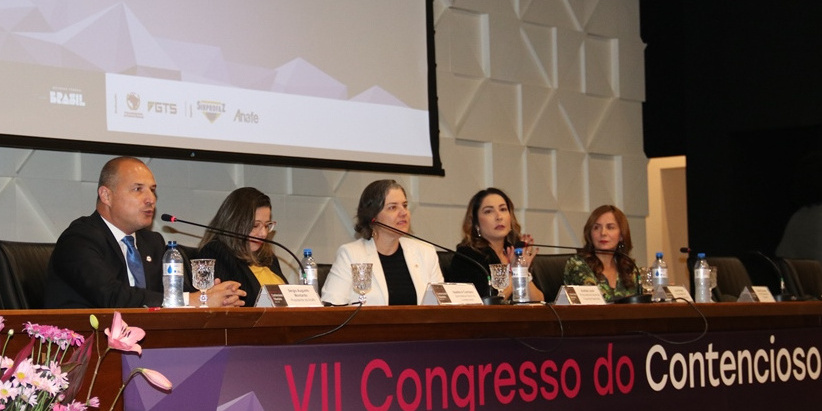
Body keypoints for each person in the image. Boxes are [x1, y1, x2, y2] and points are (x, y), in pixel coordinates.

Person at [45, 156, 246, 308]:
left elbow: (174, 293)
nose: (151, 199)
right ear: (106, 195)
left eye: (152, 189)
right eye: (138, 189)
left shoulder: (152, 242)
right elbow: (112, 296)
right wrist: (192, 300)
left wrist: (209, 296)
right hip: (87, 344)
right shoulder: (79, 239)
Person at [321, 179, 443, 305]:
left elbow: (442, 308)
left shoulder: (426, 253)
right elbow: (331, 306)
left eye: (405, 205)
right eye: (393, 207)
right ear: (373, 217)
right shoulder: (351, 255)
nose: (403, 212)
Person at [448, 188, 544, 302]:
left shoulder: (514, 252)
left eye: (503, 209)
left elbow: (539, 301)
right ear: (476, 223)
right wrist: (515, 274)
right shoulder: (467, 257)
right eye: (488, 211)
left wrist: (522, 270)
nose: (499, 217)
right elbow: (486, 303)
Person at [198, 187, 287, 306]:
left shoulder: (268, 257)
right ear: (234, 224)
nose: (263, 233)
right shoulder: (216, 252)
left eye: (267, 225)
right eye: (255, 226)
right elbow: (228, 303)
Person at [563, 204, 639, 302]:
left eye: (610, 227)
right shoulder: (578, 264)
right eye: (596, 228)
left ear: (621, 235)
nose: (603, 233)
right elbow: (593, 302)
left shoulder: (629, 268)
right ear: (590, 234)